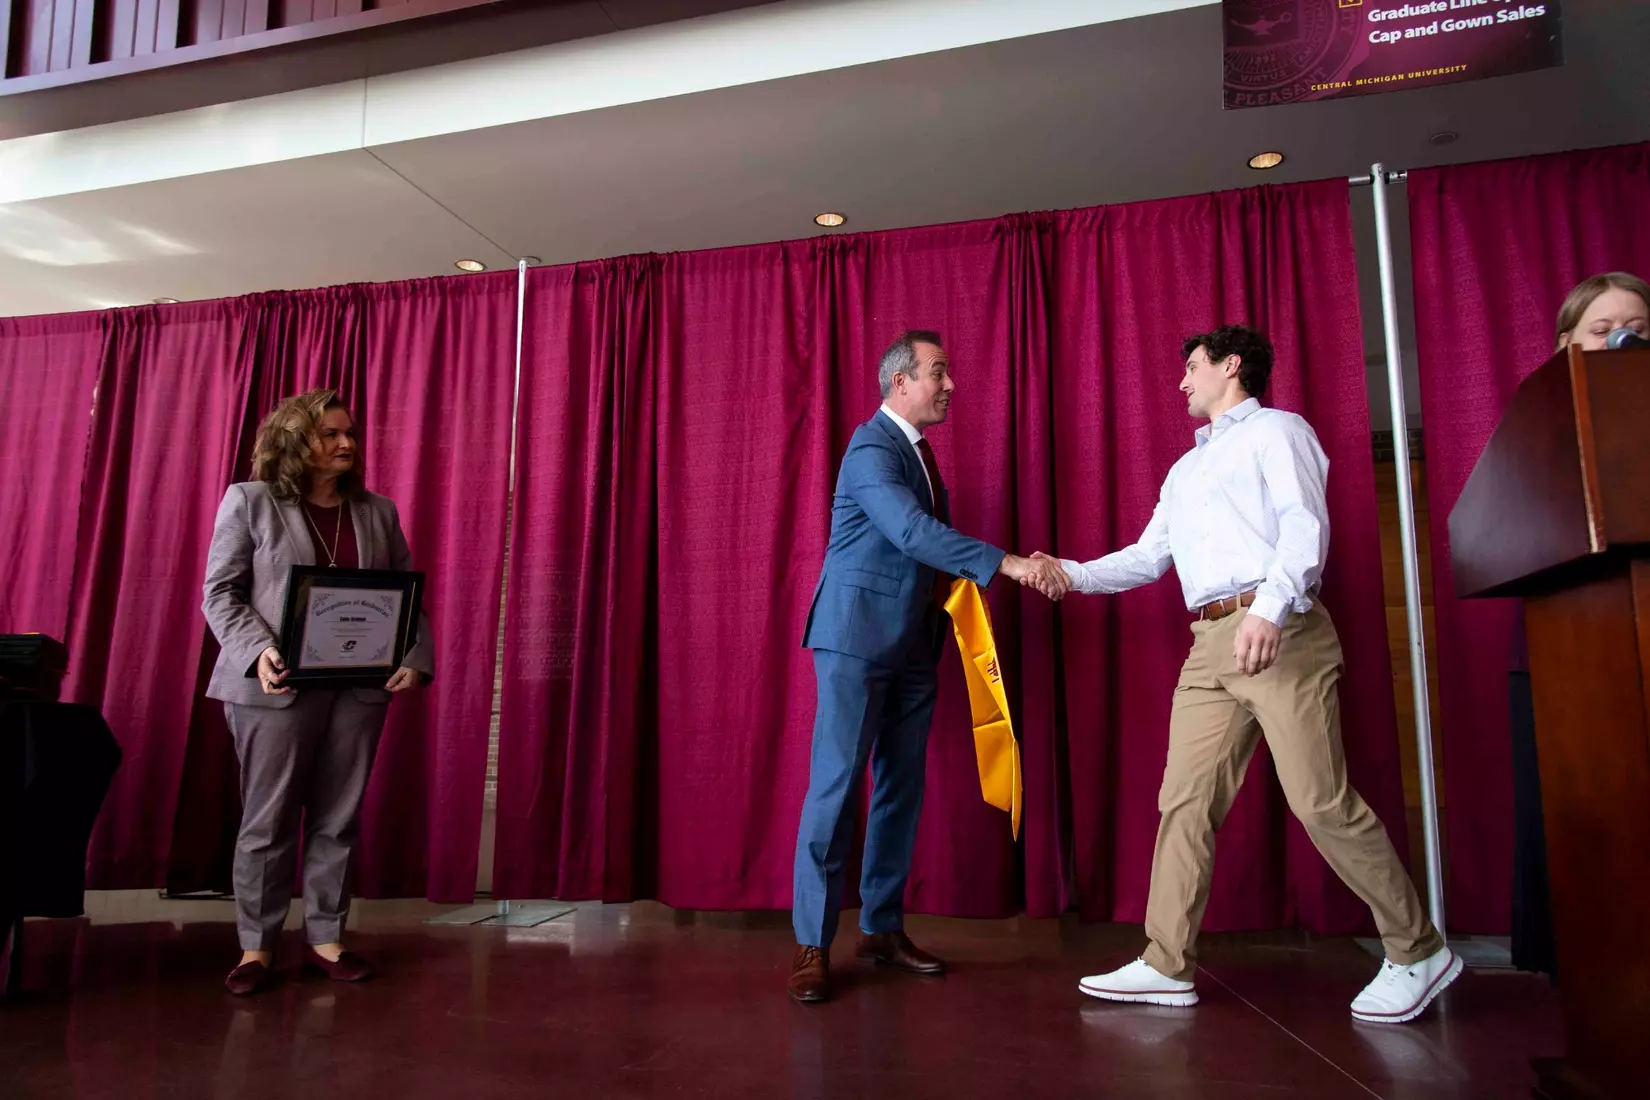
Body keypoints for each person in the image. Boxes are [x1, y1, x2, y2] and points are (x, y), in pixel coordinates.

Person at [1046, 325, 1458, 1024]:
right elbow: (1150, 557)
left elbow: (1305, 523)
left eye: (1192, 368)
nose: (1181, 382)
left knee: (1320, 801)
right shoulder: (1185, 470)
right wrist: (1068, 574)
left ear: (1230, 366)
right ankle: (1165, 962)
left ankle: (1418, 949)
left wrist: (1268, 611)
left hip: (1278, 631)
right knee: (1184, 802)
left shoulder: (1278, 430)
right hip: (1207, 643)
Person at [787, 330, 1068, 1003]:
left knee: (899, 792)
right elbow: (912, 533)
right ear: (899, 382)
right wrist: (1010, 563)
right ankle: (811, 945)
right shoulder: (869, 448)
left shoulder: (920, 454)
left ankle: (881, 928)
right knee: (836, 789)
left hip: (915, 647)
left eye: (948, 372)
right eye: (937, 372)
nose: (949, 385)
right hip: (856, 641)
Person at [202, 388, 433, 996]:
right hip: (273, 687)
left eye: (350, 433)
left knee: (339, 819)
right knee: (267, 821)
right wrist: (258, 650)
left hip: (358, 689)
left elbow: (408, 599)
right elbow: (220, 593)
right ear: (293, 440)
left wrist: (414, 657)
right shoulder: (249, 502)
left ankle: (326, 937)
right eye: (330, 433)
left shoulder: (378, 512)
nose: (346, 443)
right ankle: (256, 947)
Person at [1506, 271, 1650, 976]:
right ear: (1567, 344)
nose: (1624, 339)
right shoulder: (1537, 426)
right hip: (1570, 644)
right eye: (1603, 330)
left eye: (1638, 328)